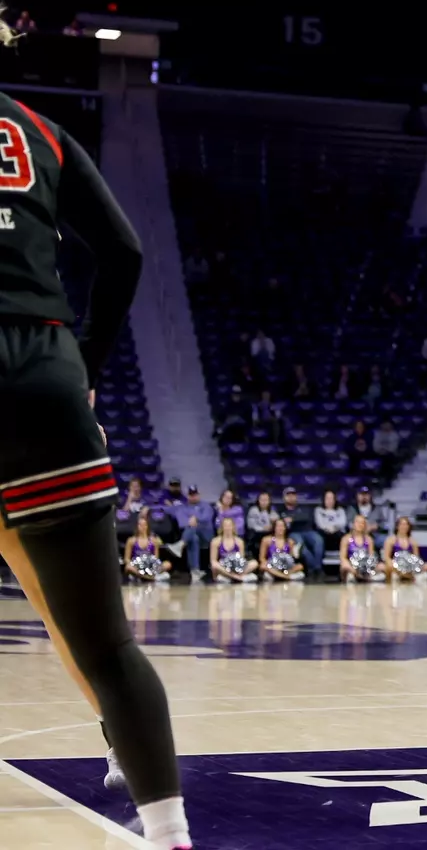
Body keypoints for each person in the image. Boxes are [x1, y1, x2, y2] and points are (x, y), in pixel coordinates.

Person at [0, 85, 193, 848]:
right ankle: (169, 827)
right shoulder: (40, 131)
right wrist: (86, 366)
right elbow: (125, 251)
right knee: (99, 636)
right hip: (46, 376)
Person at [123, 513, 172, 583]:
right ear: (137, 526)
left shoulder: (154, 541)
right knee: (128, 567)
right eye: (140, 525)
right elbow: (126, 559)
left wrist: (151, 565)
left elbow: (156, 558)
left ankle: (145, 577)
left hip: (150, 565)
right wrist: (134, 564)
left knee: (168, 564)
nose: (142, 527)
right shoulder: (131, 540)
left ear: (147, 526)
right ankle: (148, 577)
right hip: (137, 566)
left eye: (144, 525)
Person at [209, 517, 258, 584]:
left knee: (254, 563)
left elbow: (241, 559)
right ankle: (234, 577)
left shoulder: (239, 541)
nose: (227, 528)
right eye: (225, 526)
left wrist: (237, 568)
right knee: (214, 565)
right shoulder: (215, 541)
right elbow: (213, 560)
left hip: (236, 566)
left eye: (229, 525)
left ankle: (236, 576)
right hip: (223, 567)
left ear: (233, 527)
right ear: (222, 527)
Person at [384, 515, 427, 581]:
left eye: (406, 525)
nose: (404, 527)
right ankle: (405, 576)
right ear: (397, 526)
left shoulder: (413, 542)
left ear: (409, 527)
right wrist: (393, 565)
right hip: (395, 566)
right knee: (388, 566)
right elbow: (387, 557)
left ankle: (406, 575)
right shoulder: (391, 540)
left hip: (408, 566)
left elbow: (416, 558)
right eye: (401, 524)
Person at [341, 515, 383, 583]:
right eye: (357, 522)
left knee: (382, 567)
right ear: (353, 524)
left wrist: (370, 569)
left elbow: (371, 557)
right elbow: (343, 558)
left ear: (365, 525)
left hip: (365, 566)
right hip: (351, 566)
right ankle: (354, 576)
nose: (360, 524)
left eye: (362, 523)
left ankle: (365, 576)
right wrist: (352, 569)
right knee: (344, 566)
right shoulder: (346, 539)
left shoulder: (369, 539)